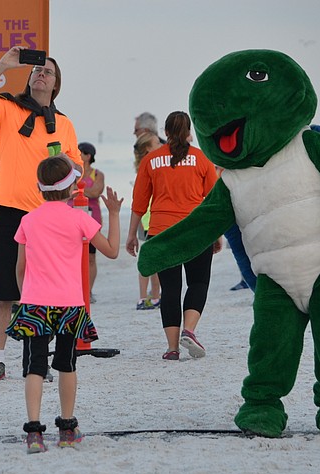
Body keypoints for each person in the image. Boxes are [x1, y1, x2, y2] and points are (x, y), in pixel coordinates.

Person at [0, 45, 82, 381]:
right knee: (4, 290)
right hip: (9, 211)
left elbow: (77, 166)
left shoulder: (63, 124)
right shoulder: (8, 109)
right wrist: (4, 63)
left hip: (49, 216)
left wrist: (69, 170)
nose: (40, 74)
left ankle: (35, 359)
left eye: (47, 71)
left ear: (56, 84)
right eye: (37, 70)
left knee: (42, 292)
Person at [7, 155, 121, 453]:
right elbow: (110, 251)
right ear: (72, 187)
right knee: (67, 364)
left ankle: (34, 433)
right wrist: (115, 214)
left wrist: (25, 295)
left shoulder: (28, 220)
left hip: (34, 303)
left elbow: (20, 267)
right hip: (69, 303)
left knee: (35, 366)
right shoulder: (80, 218)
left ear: (40, 188)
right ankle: (67, 429)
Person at [126, 111, 219, 360]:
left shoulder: (151, 160)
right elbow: (213, 201)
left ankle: (172, 348)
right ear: (189, 132)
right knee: (198, 283)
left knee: (170, 289)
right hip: (196, 231)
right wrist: (217, 234)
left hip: (161, 232)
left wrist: (131, 235)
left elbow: (139, 202)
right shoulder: (202, 159)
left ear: (165, 132)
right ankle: (189, 330)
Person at [68, 141, 105, 302]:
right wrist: (83, 192)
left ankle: (88, 291)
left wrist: (78, 191)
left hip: (91, 218)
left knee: (90, 257)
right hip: (71, 218)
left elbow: (97, 191)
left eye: (80, 153)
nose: (77, 156)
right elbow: (66, 192)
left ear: (88, 156)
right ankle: (74, 289)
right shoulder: (71, 173)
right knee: (72, 256)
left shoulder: (97, 174)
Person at [132, 131, 163, 309]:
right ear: (147, 149)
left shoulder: (145, 165)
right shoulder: (151, 166)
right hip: (151, 217)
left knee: (148, 259)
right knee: (153, 261)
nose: (161, 146)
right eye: (157, 143)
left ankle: (146, 296)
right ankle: (152, 296)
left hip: (147, 218)